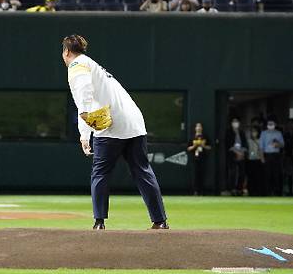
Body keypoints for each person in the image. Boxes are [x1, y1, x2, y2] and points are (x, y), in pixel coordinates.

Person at [62, 34, 168, 230]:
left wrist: (84, 134)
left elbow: (83, 96)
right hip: (134, 122)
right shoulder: (94, 65)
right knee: (143, 171)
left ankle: (99, 222)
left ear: (67, 51)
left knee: (100, 173)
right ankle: (160, 221)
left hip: (110, 126)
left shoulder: (77, 65)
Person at [259, 118, 285, 196]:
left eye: (272, 124)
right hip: (267, 155)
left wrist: (278, 144)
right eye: (269, 124)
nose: (270, 125)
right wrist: (262, 157)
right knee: (267, 174)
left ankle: (276, 192)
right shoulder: (263, 133)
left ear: (275, 124)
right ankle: (267, 192)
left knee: (276, 174)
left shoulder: (278, 133)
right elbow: (261, 147)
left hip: (276, 155)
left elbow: (282, 144)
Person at [225, 117, 247, 196]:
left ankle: (239, 189)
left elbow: (245, 143)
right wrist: (236, 152)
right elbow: (228, 145)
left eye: (237, 121)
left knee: (242, 173)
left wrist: (242, 153)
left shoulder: (241, 132)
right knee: (232, 173)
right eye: (234, 122)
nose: (235, 123)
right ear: (231, 123)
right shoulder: (228, 132)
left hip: (241, 155)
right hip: (232, 155)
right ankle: (232, 189)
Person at [187, 122, 211, 195]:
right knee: (195, 175)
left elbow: (209, 147)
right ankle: (195, 191)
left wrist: (203, 145)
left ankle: (202, 191)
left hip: (203, 158)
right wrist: (194, 146)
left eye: (200, 126)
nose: (199, 128)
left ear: (202, 128)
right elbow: (188, 148)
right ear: (195, 128)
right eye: (197, 126)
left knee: (202, 174)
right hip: (195, 158)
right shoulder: (192, 137)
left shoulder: (205, 137)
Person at [246, 126, 263, 196]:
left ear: (258, 133)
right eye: (252, 131)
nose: (254, 133)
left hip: (258, 160)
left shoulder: (260, 140)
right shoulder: (248, 141)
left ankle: (258, 191)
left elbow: (262, 149)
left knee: (258, 177)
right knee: (250, 177)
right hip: (250, 160)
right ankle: (251, 191)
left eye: (255, 131)